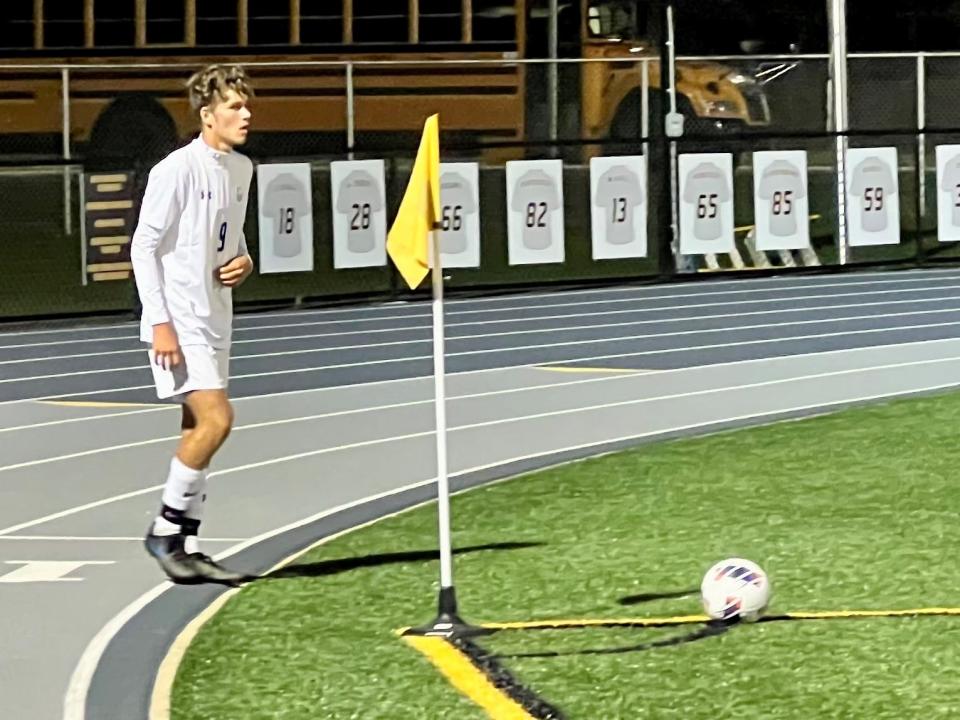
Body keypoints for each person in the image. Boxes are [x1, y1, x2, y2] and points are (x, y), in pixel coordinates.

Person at [130, 64, 255, 585]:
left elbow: (232, 237)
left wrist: (245, 260)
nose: (245, 114)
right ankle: (164, 529)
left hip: (215, 313)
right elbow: (143, 247)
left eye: (247, 105)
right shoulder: (175, 171)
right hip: (179, 319)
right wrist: (160, 324)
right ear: (207, 115)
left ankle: (189, 543)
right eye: (234, 106)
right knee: (218, 420)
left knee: (197, 427)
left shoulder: (242, 169)